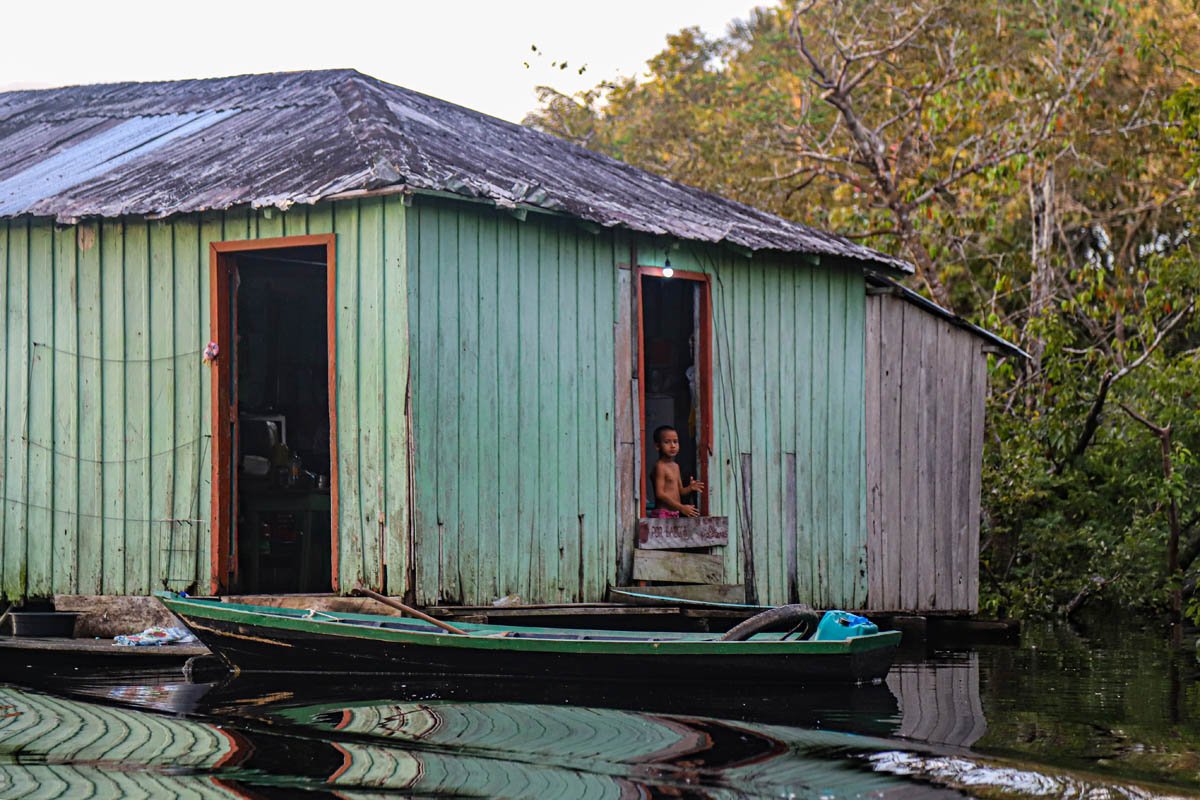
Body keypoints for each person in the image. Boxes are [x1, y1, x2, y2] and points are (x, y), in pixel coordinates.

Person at [650, 425, 705, 518]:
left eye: (675, 441)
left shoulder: (676, 467)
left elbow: (680, 491)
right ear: (657, 446)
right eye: (667, 442)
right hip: (662, 514)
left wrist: (690, 488)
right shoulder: (660, 466)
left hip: (675, 514)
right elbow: (660, 494)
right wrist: (681, 507)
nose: (673, 446)